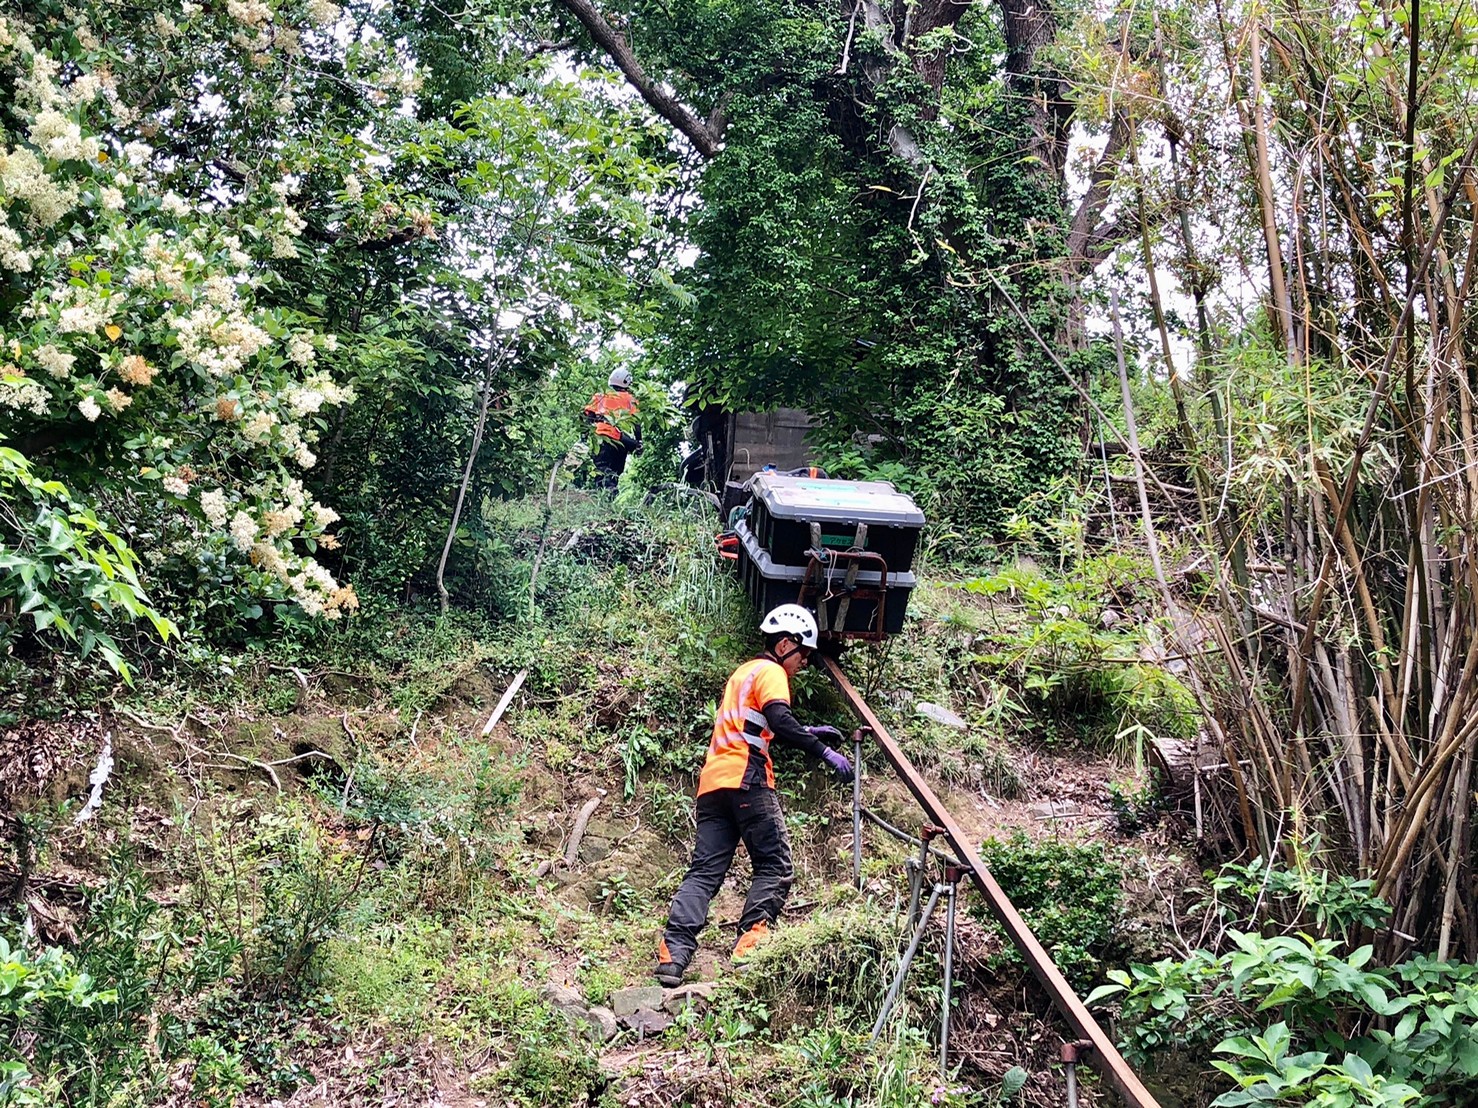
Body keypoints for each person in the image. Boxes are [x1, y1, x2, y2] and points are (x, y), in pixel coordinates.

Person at [655, 604, 854, 987]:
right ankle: (750, 945)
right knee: (775, 865)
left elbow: (756, 723)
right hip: (748, 781)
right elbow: (778, 719)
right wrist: (822, 751)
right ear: (784, 645)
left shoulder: (743, 673)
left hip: (713, 786)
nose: (805, 663)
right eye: (804, 654)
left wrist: (808, 729)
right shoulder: (773, 672)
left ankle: (672, 955)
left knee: (704, 872)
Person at [583, 367, 641, 491]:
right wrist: (639, 442)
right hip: (622, 439)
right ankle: (609, 496)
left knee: (601, 467)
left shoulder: (600, 396)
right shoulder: (631, 400)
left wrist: (584, 436)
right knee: (615, 472)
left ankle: (605, 492)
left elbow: (588, 417)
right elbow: (637, 424)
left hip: (602, 436)